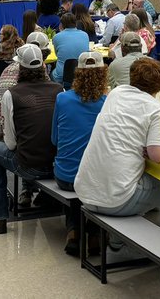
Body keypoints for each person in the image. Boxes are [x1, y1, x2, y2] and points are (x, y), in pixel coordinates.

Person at [75, 58, 160, 287]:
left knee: (123, 174)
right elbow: (156, 155)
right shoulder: (156, 109)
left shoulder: (115, 94)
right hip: (115, 200)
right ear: (159, 86)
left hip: (85, 190)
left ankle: (117, 246)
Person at [0, 43, 62, 234]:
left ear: (20, 67)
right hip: (57, 165)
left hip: (30, 166)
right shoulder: (59, 90)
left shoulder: (12, 94)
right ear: (43, 66)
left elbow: (10, 143)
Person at [51, 51, 108, 255]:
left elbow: (54, 139)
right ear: (103, 74)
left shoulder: (62, 99)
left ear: (77, 74)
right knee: (90, 178)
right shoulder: (107, 103)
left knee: (74, 176)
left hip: (65, 176)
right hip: (96, 178)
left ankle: (74, 230)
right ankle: (93, 233)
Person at [51, 12, 89, 83]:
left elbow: (57, 55)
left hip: (62, 75)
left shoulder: (57, 37)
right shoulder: (85, 35)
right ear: (76, 23)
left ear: (61, 25)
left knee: (51, 72)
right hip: (82, 73)